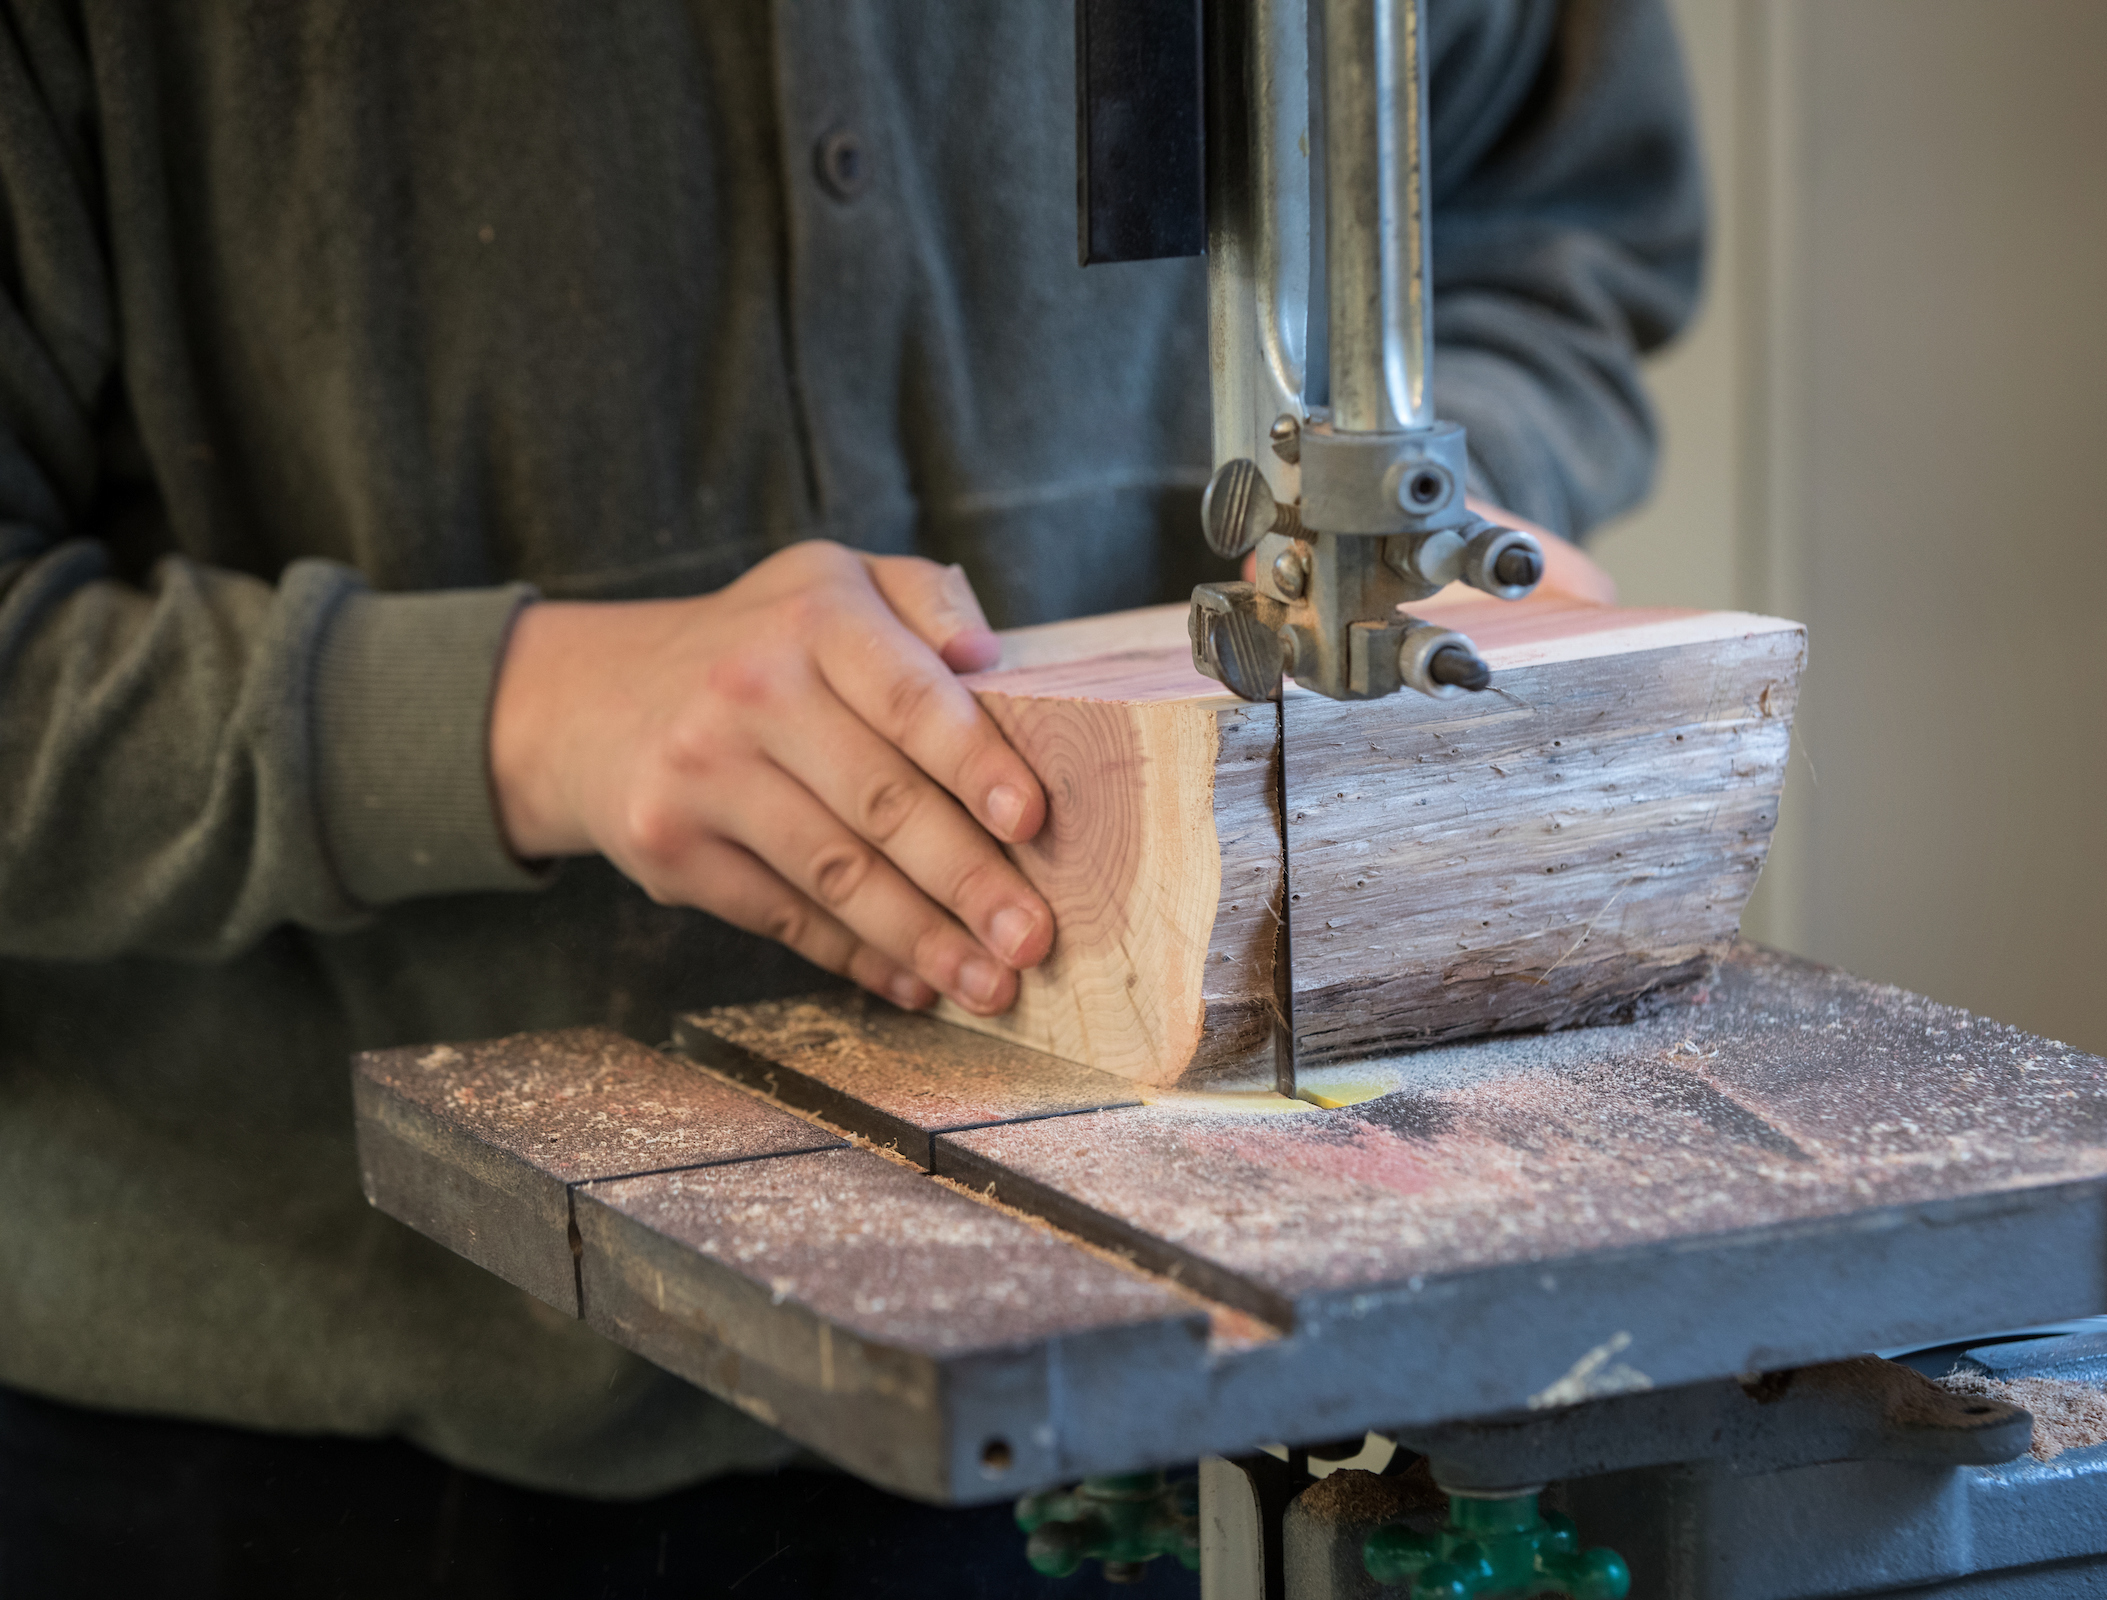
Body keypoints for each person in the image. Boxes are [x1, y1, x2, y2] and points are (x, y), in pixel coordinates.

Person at [0, 0, 1703, 1590]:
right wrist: (521, 714)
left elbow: (1553, 229)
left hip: (1163, 1365)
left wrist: (1430, 492)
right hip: (287, 1435)